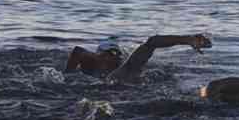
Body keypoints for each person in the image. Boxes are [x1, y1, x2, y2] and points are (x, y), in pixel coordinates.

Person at [65, 34, 213, 82]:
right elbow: (78, 51)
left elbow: (152, 43)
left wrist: (187, 39)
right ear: (98, 55)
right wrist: (68, 74)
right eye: (109, 53)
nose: (114, 57)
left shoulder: (125, 70)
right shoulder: (89, 69)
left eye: (117, 54)